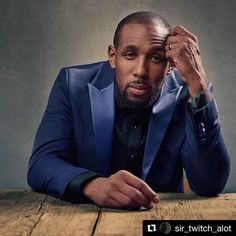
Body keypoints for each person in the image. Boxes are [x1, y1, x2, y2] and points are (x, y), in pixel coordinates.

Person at [27, 11, 230, 210]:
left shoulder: (188, 95)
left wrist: (199, 85)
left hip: (160, 216)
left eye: (156, 58)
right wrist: (94, 185)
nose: (141, 70)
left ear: (169, 66)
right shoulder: (73, 85)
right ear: (113, 56)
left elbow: (209, 184)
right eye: (130, 54)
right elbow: (42, 164)